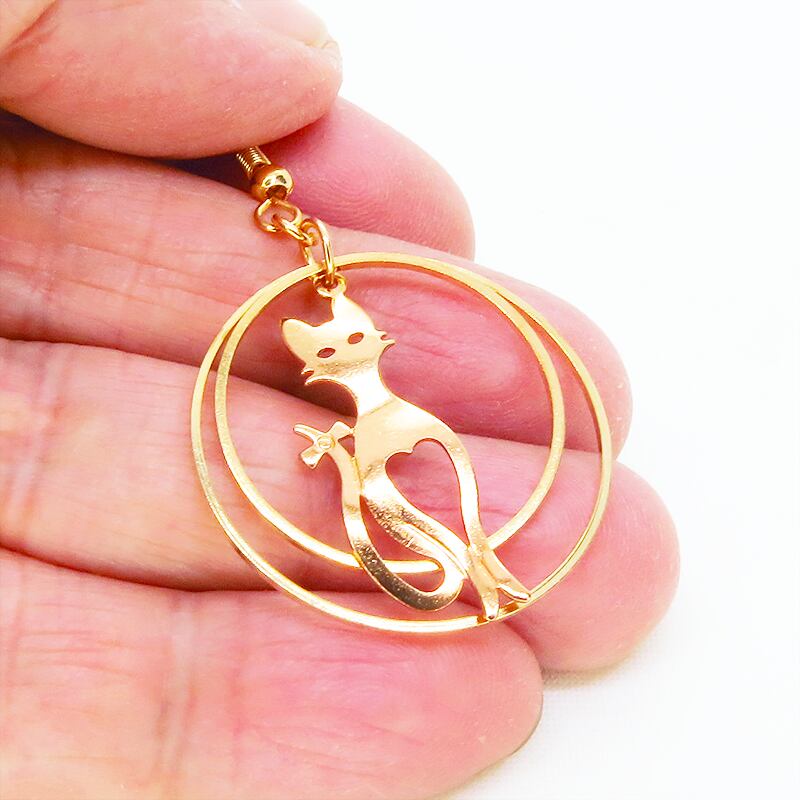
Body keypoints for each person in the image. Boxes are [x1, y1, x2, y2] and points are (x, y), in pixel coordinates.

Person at [0, 2, 679, 798]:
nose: (345, 347)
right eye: (326, 349)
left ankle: (483, 569)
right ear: (308, 356)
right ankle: (455, 572)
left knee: (453, 495)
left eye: (351, 338)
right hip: (369, 436)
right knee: (379, 512)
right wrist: (333, 452)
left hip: (397, 421)